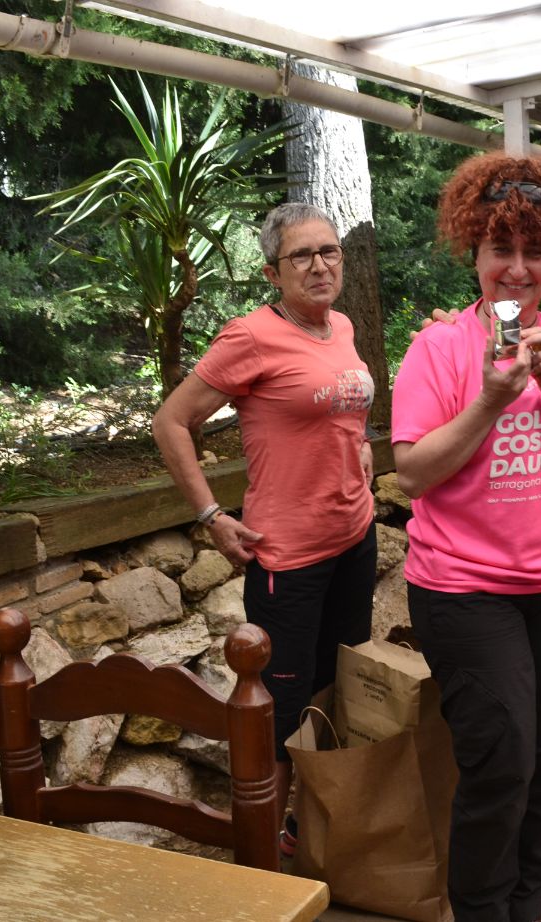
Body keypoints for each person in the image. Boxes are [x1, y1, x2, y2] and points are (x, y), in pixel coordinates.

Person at [392, 151, 541, 922]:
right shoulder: (438, 349)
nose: (518, 269)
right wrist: (491, 400)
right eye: (502, 249)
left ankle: (524, 909)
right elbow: (412, 474)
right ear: (476, 252)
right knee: (501, 767)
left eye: (536, 252)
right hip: (463, 589)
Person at [152, 202, 377, 856]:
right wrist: (210, 516)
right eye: (301, 255)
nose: (319, 265)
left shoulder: (341, 325)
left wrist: (359, 446)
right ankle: (260, 859)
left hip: (354, 537)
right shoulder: (250, 336)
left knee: (333, 688)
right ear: (273, 273)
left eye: (328, 251)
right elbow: (171, 422)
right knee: (279, 710)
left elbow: (338, 409)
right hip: (288, 556)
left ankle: (307, 825)